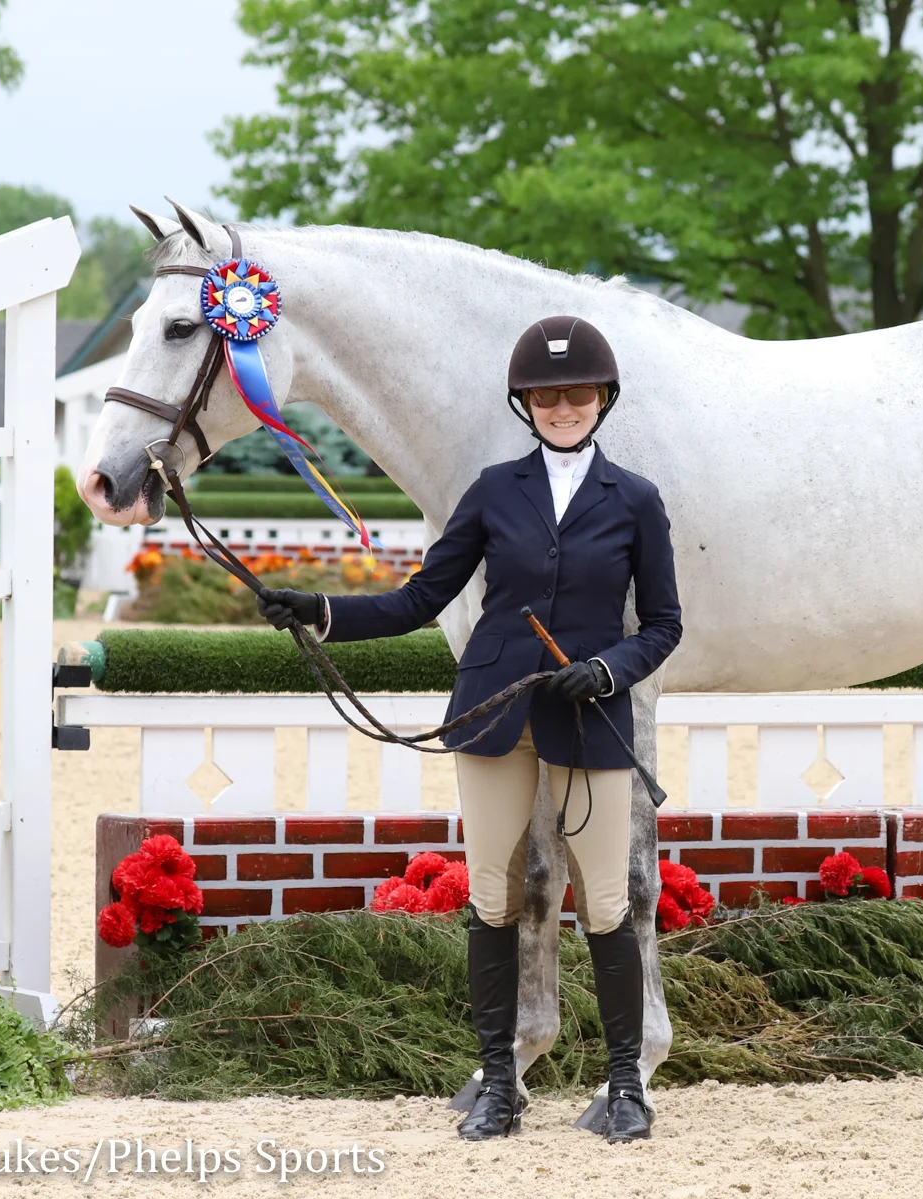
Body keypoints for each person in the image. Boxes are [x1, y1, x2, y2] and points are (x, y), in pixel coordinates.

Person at [256, 315, 682, 1143]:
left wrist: (607, 670)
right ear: (526, 403)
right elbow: (422, 599)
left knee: (604, 904)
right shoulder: (492, 490)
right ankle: (499, 1082)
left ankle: (627, 1084)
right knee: (494, 896)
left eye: (578, 392)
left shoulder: (635, 498)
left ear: (603, 399)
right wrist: (321, 610)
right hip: (494, 711)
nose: (564, 407)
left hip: (588, 713)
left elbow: (662, 624)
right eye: (547, 395)